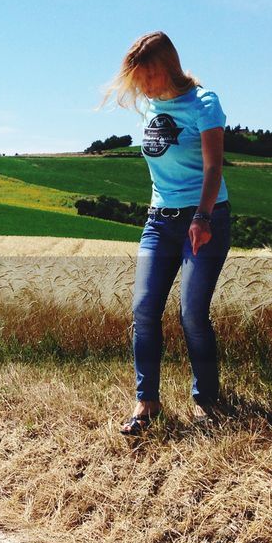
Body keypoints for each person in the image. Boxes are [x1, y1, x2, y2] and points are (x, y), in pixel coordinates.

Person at [101, 31, 230, 435]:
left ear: (168, 67)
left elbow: (213, 168)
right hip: (159, 220)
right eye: (138, 78)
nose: (143, 85)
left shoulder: (204, 103)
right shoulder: (149, 106)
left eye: (149, 75)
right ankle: (147, 402)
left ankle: (206, 401)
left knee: (191, 313)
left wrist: (202, 217)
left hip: (205, 218)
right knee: (143, 309)